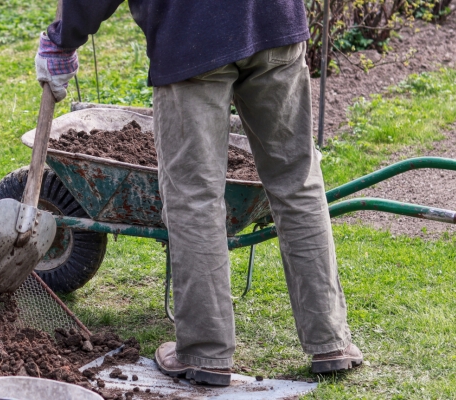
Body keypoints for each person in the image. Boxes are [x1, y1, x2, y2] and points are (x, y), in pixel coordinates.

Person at [35, 0, 363, 386]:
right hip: (275, 22)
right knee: (297, 183)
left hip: (192, 35)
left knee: (195, 196)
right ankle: (330, 343)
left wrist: (62, 40)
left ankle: (205, 352)